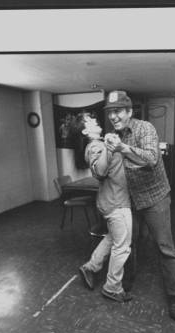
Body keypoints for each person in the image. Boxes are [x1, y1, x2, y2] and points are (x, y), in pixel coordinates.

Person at [103, 90, 175, 320]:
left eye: (118, 111)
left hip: (155, 198)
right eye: (111, 113)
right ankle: (126, 282)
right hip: (129, 200)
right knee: (129, 243)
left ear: (129, 111)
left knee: (165, 247)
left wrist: (122, 148)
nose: (114, 117)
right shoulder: (112, 135)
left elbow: (151, 159)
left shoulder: (145, 128)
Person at [71, 112, 133, 303]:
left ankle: (91, 267)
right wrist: (108, 147)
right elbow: (99, 171)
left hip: (112, 201)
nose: (95, 120)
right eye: (90, 121)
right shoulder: (95, 146)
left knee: (113, 238)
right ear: (84, 131)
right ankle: (112, 287)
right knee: (122, 247)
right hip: (116, 203)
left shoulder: (99, 143)